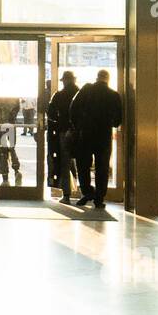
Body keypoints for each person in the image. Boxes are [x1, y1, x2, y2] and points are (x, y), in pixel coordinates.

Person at [69, 69, 123, 210]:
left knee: (83, 166)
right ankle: (99, 198)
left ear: (97, 77)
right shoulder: (113, 95)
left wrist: (78, 126)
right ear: (108, 79)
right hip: (103, 137)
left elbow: (73, 108)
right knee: (102, 167)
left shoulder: (86, 90)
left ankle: (87, 192)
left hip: (86, 135)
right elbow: (118, 120)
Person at [46, 70, 79, 204]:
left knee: (65, 163)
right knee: (81, 163)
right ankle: (83, 192)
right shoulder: (81, 94)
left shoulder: (59, 95)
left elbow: (51, 113)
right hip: (79, 133)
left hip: (63, 132)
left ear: (64, 81)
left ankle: (66, 195)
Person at [0, 97, 22, 185]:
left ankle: (5, 177)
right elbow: (17, 107)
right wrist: (11, 117)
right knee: (11, 148)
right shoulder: (12, 94)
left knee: (2, 151)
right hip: (10, 124)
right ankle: (17, 170)